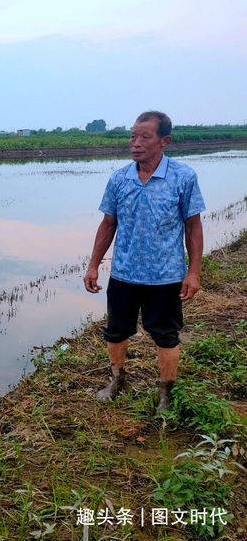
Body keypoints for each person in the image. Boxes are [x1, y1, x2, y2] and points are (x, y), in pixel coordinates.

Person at [83, 110, 205, 412]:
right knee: (116, 330)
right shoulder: (119, 178)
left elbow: (193, 226)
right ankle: (117, 379)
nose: (135, 143)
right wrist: (93, 265)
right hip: (124, 273)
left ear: (164, 141)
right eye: (132, 136)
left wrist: (193, 272)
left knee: (165, 335)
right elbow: (108, 224)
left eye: (144, 137)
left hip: (165, 276)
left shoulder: (183, 177)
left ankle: (166, 390)